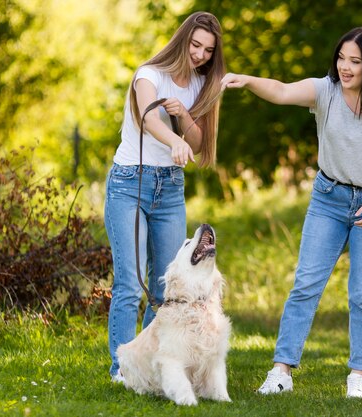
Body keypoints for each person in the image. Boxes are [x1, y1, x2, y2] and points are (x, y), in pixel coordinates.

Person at [221, 27, 362, 398]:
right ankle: (281, 371)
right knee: (306, 285)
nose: (344, 67)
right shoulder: (325, 91)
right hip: (328, 199)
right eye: (341, 58)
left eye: (355, 61)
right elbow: (281, 91)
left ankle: (357, 375)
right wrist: (246, 80)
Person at [104, 11, 225, 383]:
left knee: (165, 286)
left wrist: (184, 115)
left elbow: (200, 141)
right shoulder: (149, 75)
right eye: (195, 45)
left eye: (208, 50)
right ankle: (122, 369)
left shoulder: (201, 86)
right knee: (129, 281)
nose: (201, 54)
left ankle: (154, 365)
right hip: (129, 184)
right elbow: (147, 118)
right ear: (182, 40)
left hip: (170, 190)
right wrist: (173, 138)